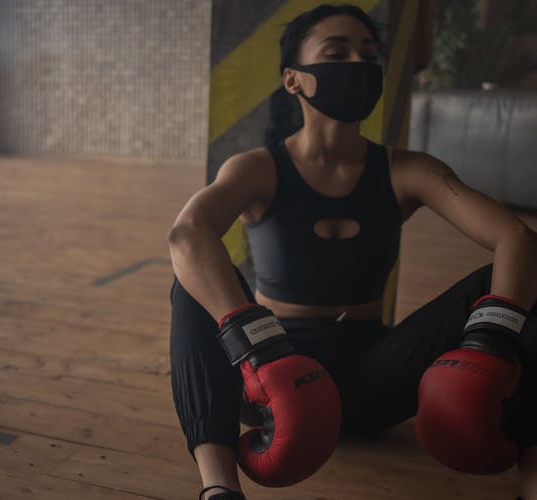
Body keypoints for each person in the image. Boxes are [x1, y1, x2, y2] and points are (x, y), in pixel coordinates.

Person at [167, 4, 537, 499]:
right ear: (293, 79)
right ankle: (219, 490)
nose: (357, 66)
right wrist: (256, 345)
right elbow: (187, 233)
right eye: (336, 53)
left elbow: (516, 236)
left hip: (372, 381)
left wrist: (493, 339)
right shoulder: (258, 168)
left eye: (367, 55)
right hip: (271, 377)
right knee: (190, 286)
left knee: (521, 280)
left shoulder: (409, 171)